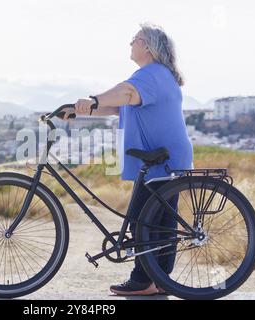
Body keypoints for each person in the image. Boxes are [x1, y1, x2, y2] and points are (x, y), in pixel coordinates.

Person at [63, 23, 194, 296]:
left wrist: (92, 99)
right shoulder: (157, 75)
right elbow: (117, 106)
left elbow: (126, 93)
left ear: (148, 46)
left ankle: (143, 280)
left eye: (135, 39)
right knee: (158, 222)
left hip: (163, 159)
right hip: (164, 157)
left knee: (144, 222)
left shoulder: (151, 74)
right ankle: (158, 280)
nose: (130, 43)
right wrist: (79, 111)